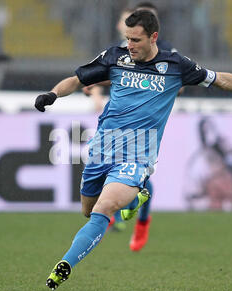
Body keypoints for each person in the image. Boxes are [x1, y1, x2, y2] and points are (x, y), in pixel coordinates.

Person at [35, 10, 232, 290]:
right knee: (88, 212)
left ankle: (63, 266)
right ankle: (136, 199)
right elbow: (77, 78)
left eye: (136, 40)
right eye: (127, 39)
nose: (130, 45)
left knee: (104, 209)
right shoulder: (115, 56)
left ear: (153, 37)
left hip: (137, 155)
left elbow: (221, 78)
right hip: (102, 149)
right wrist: (53, 94)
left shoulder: (176, 65)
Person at [83, 3, 177, 252]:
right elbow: (110, 75)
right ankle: (118, 208)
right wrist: (93, 87)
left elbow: (180, 80)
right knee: (117, 164)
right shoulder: (120, 50)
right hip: (120, 118)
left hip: (149, 119)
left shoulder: (166, 51)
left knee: (139, 168)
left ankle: (141, 220)